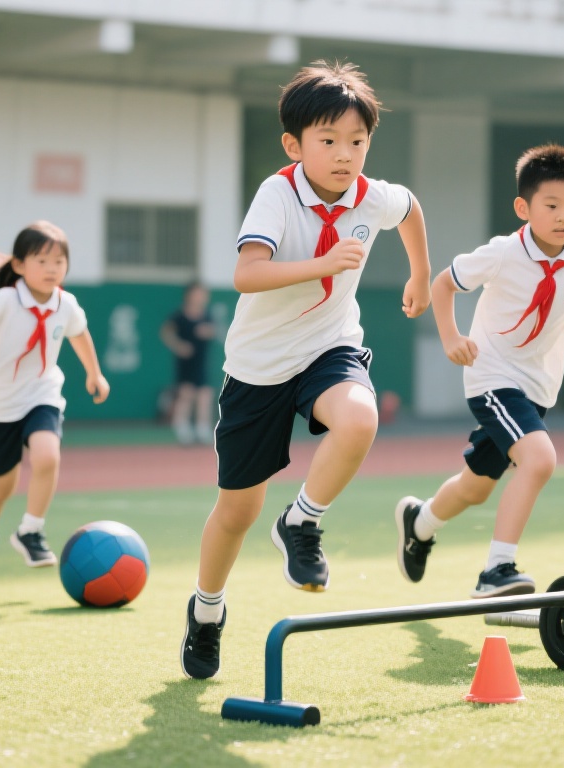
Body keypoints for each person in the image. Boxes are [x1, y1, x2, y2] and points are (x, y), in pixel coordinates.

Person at [180, 60, 432, 680]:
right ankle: (206, 612)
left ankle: (302, 522)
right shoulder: (277, 194)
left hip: (329, 346)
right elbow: (246, 273)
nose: (345, 155)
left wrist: (420, 272)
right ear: (294, 145)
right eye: (329, 141)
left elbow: (411, 209)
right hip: (259, 368)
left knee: (360, 418)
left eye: (358, 141)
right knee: (236, 512)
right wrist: (322, 265)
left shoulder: (373, 196)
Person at [395, 144, 564, 599]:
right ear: (523, 207)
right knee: (540, 459)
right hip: (492, 377)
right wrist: (452, 338)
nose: (563, 216)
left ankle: (421, 521)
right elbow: (443, 284)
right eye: (551, 205)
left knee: (475, 488)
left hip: (538, 388)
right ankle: (497, 569)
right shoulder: (502, 253)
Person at [0, 221, 110, 580]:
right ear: (20, 265)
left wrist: (94, 373)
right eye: (42, 260)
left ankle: (31, 529)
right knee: (2, 483)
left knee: (47, 456)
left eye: (59, 261)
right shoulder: (6, 300)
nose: (52, 268)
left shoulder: (65, 304)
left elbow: (80, 334)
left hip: (42, 395)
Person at [159, 282, 216, 445]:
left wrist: (207, 331)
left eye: (203, 294)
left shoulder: (207, 315)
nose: (201, 297)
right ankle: (182, 427)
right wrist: (178, 346)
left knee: (204, 394)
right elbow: (166, 332)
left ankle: (202, 428)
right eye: (197, 293)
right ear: (189, 295)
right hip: (185, 361)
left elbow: (213, 330)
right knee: (186, 393)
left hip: (202, 360)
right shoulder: (179, 316)